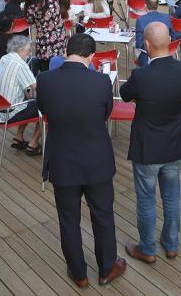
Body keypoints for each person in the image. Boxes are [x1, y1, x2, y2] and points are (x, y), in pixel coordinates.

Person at [36, 33, 127, 287]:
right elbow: (106, 113)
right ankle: (107, 268)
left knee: (68, 219)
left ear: (66, 52)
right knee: (103, 215)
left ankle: (79, 274)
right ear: (91, 56)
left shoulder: (45, 80)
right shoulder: (101, 81)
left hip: (62, 159)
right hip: (96, 160)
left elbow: (43, 110)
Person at [121, 22, 181, 264]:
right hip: (174, 143)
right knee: (171, 198)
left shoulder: (141, 75)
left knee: (146, 199)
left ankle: (147, 248)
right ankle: (171, 245)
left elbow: (125, 94)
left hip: (147, 147)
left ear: (147, 45)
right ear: (170, 41)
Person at [0, 35, 42, 156]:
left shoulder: (4, 58)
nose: (30, 53)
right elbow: (37, 87)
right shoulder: (20, 65)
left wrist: (29, 97)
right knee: (48, 107)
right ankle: (33, 144)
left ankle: (18, 138)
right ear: (20, 50)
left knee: (28, 101)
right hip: (9, 113)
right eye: (28, 50)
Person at [23, 0, 65, 72]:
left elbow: (29, 20)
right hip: (60, 41)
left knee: (46, 72)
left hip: (45, 45)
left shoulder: (32, 6)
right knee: (59, 70)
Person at [135, 0, 173, 67]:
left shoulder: (140, 20)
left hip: (148, 55)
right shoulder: (167, 17)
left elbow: (139, 44)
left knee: (134, 45)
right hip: (166, 52)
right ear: (157, 6)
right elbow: (173, 36)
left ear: (145, 6)